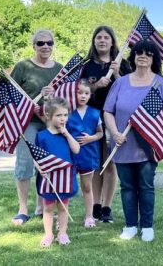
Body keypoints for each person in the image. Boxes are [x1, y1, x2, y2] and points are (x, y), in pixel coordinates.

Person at [103, 39, 163, 242]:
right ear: (133, 56)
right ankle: (130, 226)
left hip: (148, 146)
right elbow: (108, 111)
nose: (142, 56)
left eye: (148, 53)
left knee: (145, 186)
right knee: (127, 186)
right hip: (122, 143)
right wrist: (115, 132)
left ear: (154, 58)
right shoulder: (120, 82)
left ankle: (147, 226)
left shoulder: (160, 84)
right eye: (138, 52)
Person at [11, 29, 62, 225]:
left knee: (47, 165)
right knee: (24, 164)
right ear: (34, 46)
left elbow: (64, 101)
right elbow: (12, 93)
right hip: (27, 123)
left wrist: (51, 98)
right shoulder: (23, 66)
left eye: (49, 43)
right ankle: (23, 209)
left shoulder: (59, 69)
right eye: (40, 43)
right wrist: (33, 102)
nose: (45, 46)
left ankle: (43, 207)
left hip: (49, 124)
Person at [81, 26, 132, 223]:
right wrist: (95, 86)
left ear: (112, 41)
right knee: (95, 163)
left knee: (110, 163)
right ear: (94, 41)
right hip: (93, 118)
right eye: (98, 37)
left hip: (115, 118)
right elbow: (80, 92)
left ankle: (107, 207)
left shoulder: (123, 64)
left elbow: (131, 91)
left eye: (106, 37)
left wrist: (118, 75)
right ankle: (94, 205)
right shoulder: (87, 66)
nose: (102, 40)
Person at [36, 97, 80, 247]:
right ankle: (48, 234)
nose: (63, 119)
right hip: (49, 177)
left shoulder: (68, 134)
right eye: (59, 115)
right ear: (48, 116)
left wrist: (67, 134)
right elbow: (37, 158)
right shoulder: (42, 136)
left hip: (65, 177)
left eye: (65, 115)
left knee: (63, 206)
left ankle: (62, 233)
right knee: (48, 207)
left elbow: (76, 149)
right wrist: (39, 168)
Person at [66, 79, 103, 228]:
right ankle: (63, 216)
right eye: (79, 92)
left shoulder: (95, 113)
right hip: (69, 155)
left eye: (86, 93)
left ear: (90, 95)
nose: (82, 96)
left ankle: (89, 216)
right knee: (66, 187)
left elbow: (100, 133)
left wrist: (91, 138)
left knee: (87, 186)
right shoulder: (67, 112)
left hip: (88, 154)